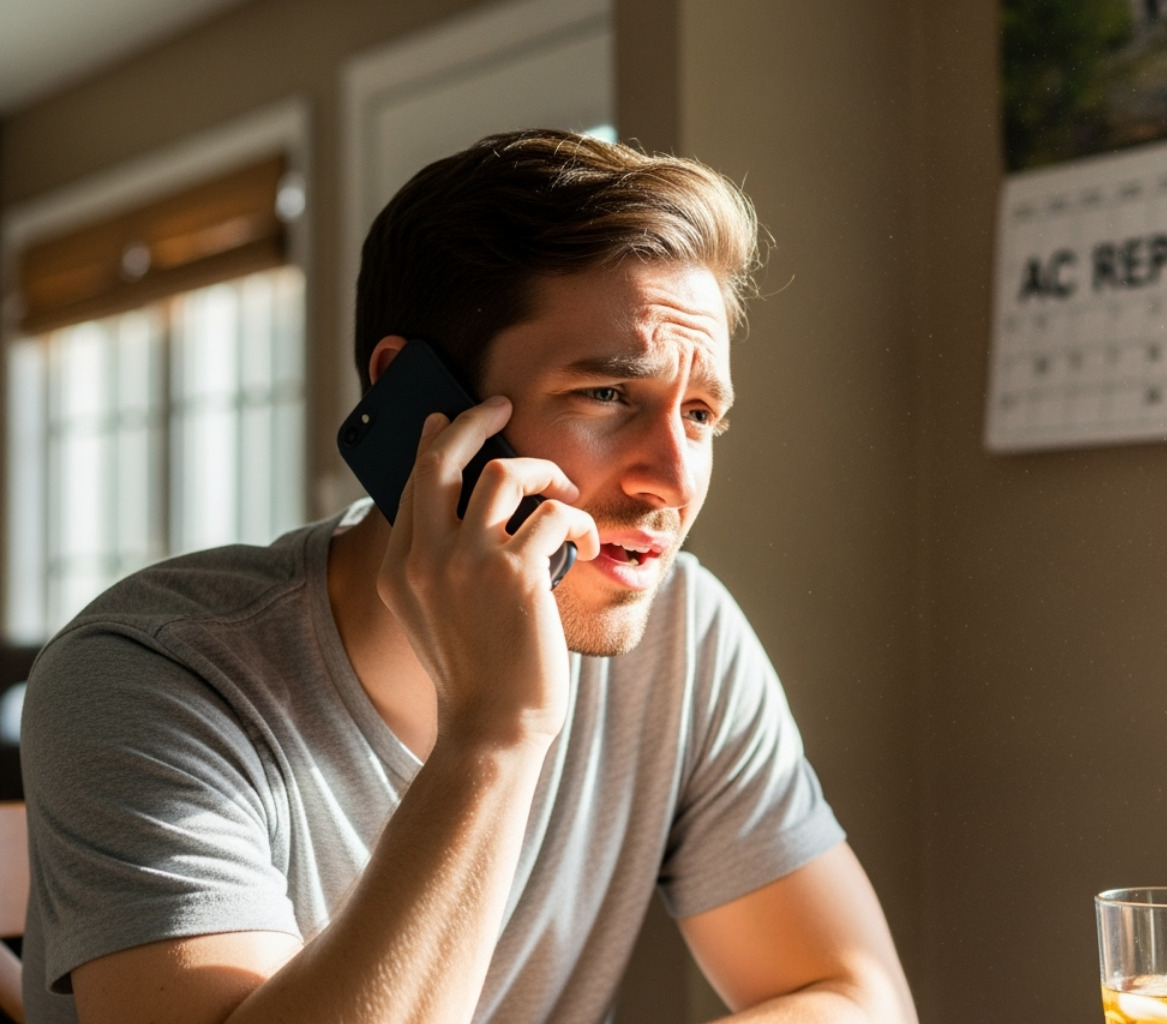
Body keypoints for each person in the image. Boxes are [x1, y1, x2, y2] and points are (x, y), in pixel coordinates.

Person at [20, 130, 918, 1024]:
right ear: (421, 407)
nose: (675, 483)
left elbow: (853, 997)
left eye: (699, 413)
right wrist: (495, 734)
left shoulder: (687, 636)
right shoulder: (146, 677)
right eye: (609, 396)